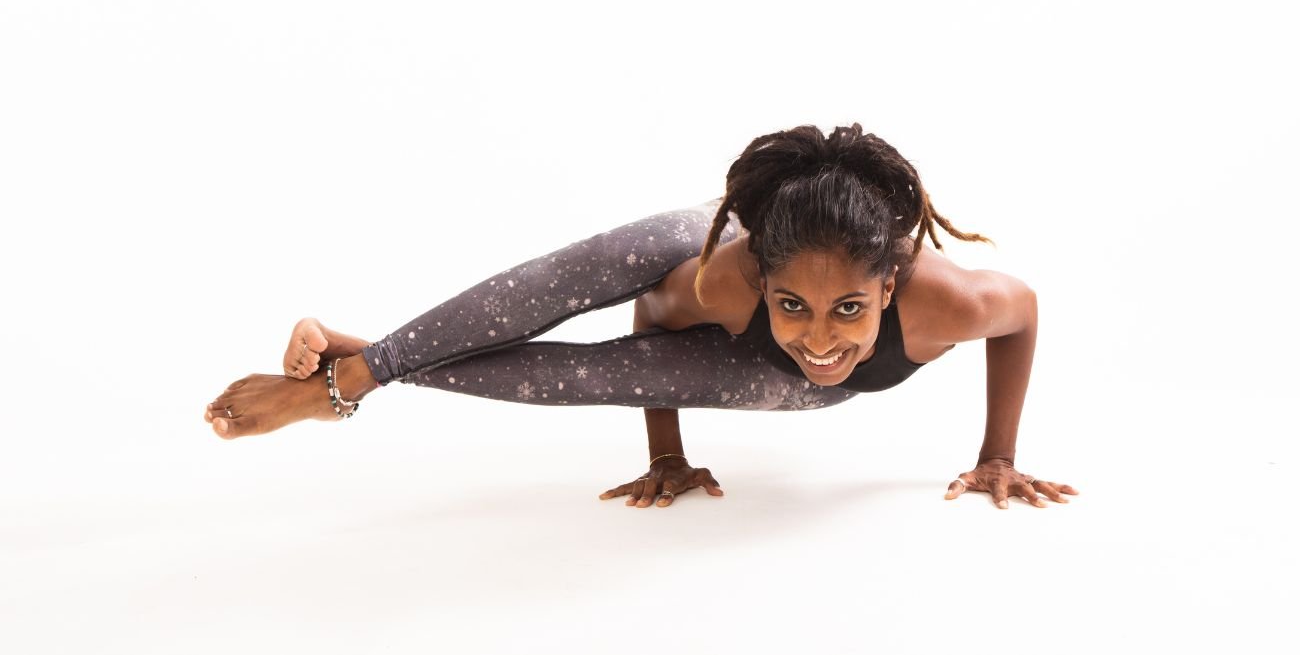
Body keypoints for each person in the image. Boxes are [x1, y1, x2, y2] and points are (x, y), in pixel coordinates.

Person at [203, 123, 1077, 511]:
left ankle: (359, 368)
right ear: (763, 281)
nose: (819, 336)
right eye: (794, 306)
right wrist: (667, 451)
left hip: (777, 377)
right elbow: (649, 325)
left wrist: (998, 453)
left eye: (849, 308)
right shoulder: (722, 282)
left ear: (889, 285)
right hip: (702, 258)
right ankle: (357, 374)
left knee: (587, 381)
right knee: (564, 285)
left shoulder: (950, 301)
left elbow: (1024, 313)